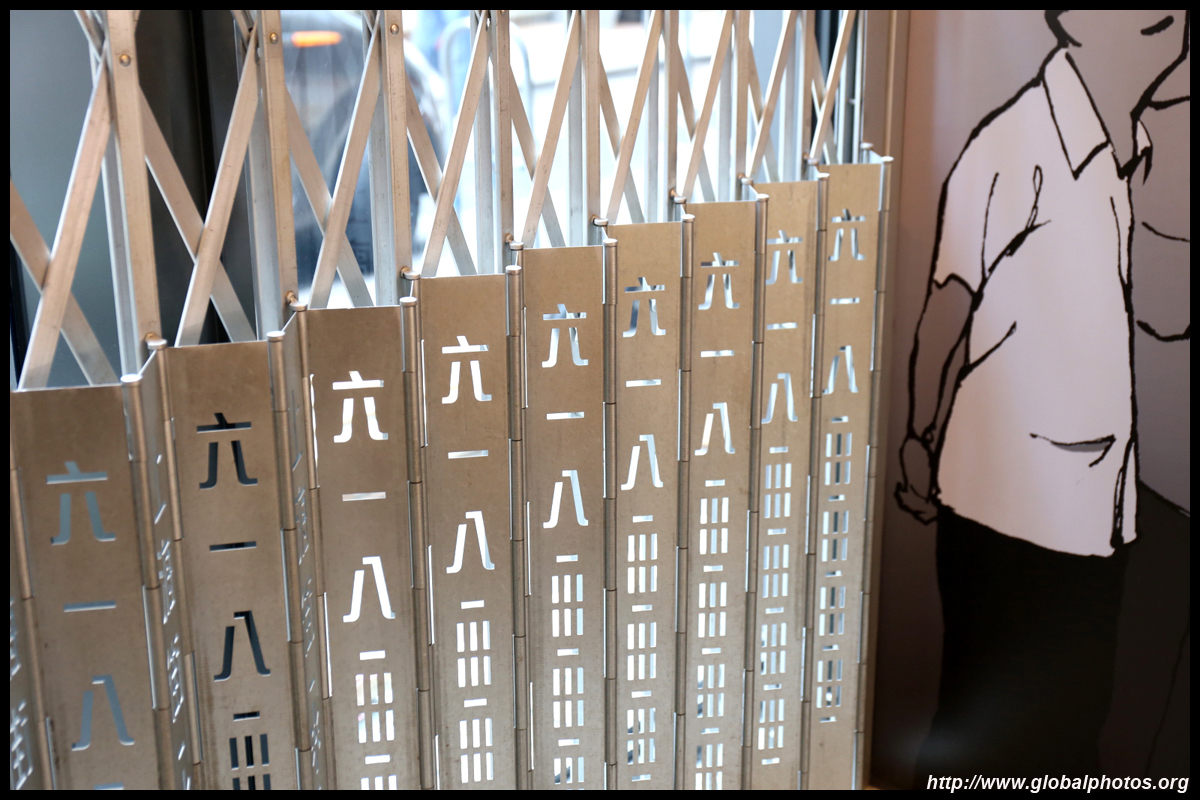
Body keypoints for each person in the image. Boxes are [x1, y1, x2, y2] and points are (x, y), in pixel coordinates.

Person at [895, 10, 1190, 778]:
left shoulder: (1130, 147)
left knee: (1073, 723)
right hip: (1008, 507)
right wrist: (919, 437)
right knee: (985, 722)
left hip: (1099, 510)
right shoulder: (1013, 141)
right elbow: (947, 305)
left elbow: (1153, 313)